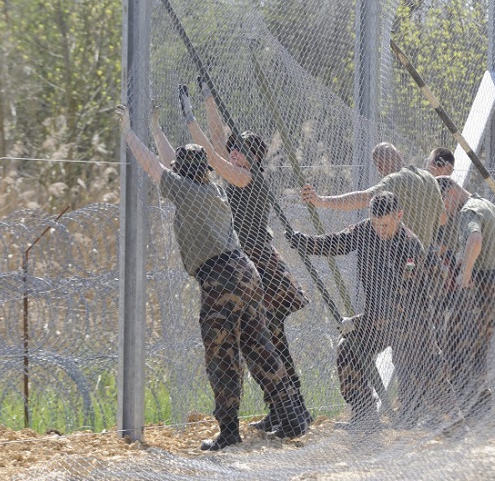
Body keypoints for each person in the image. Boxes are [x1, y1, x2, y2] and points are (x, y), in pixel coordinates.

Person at [116, 104, 310, 450]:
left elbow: (154, 166)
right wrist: (157, 130)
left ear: (181, 174)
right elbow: (170, 164)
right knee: (260, 347)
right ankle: (292, 415)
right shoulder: (212, 189)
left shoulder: (185, 191)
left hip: (220, 279)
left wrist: (130, 133)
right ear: (205, 170)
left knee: (222, 356)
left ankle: (229, 431)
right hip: (246, 273)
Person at [178, 85, 312, 435]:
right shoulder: (239, 171)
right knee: (262, 343)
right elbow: (218, 142)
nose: (234, 152)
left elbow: (212, 151)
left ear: (253, 158)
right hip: (250, 267)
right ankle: (281, 410)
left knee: (270, 343)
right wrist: (209, 99)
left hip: (260, 267)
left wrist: (191, 121)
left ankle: (293, 411)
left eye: (241, 150)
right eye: (235, 148)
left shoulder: (247, 178)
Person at [286, 192, 453, 432]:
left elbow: (398, 304)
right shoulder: (366, 230)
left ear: (399, 216)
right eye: (376, 224)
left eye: (385, 225)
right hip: (378, 320)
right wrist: (302, 242)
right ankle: (364, 417)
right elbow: (337, 242)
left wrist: (357, 322)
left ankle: (447, 418)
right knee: (349, 349)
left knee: (421, 375)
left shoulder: (409, 247)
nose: (380, 230)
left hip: (412, 322)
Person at [434, 176, 495, 420]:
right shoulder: (487, 205)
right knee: (480, 348)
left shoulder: (467, 211)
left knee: (457, 345)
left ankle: (463, 406)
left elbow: (475, 239)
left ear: (450, 193)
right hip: (494, 283)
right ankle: (480, 407)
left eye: (443, 203)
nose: (445, 210)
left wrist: (466, 272)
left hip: (478, 286)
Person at [300, 142, 444, 254]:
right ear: (400, 154)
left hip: (400, 254)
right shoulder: (429, 177)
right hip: (422, 254)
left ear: (379, 167)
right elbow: (442, 218)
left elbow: (364, 198)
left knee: (367, 228)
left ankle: (307, 243)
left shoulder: (395, 179)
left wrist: (321, 201)